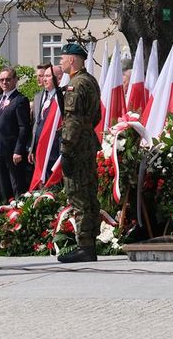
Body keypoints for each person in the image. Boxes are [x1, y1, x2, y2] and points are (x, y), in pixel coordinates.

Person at [56, 42, 102, 263]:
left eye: (63, 58)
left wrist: (66, 149)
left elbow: (72, 121)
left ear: (72, 60)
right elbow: (97, 116)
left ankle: (84, 245)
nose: (60, 61)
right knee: (89, 193)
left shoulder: (75, 85)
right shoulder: (90, 81)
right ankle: (90, 241)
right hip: (88, 143)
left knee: (78, 194)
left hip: (76, 147)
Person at [0, 67, 32, 201]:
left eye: (8, 79)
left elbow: (23, 127)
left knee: (17, 188)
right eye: (1, 80)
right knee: (4, 189)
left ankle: (18, 217)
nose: (4, 82)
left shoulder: (20, 99)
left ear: (15, 80)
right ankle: (7, 218)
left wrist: (18, 150)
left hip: (13, 153)